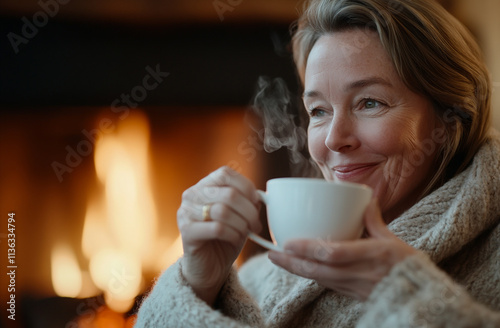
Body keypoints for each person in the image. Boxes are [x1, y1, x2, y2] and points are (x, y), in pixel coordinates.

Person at [134, 0, 500, 326]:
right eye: (319, 111)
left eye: (370, 102)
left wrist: (406, 293)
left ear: (451, 118)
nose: (332, 138)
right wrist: (199, 283)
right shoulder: (259, 279)